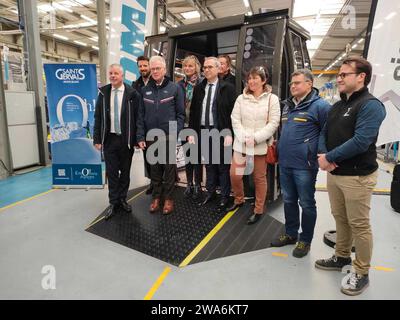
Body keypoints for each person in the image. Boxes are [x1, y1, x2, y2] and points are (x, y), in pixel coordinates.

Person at [316, 56, 386, 296]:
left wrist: (329, 158)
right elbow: (324, 132)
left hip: (357, 177)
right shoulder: (338, 105)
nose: (339, 78)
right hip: (335, 174)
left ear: (361, 77)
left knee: (359, 225)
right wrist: (324, 154)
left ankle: (361, 271)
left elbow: (361, 141)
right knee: (340, 219)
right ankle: (341, 256)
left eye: (344, 74)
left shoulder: (371, 105)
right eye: (338, 74)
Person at [270, 69, 331, 257]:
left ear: (309, 84)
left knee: (306, 203)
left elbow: (326, 133)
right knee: (288, 200)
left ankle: (305, 240)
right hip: (286, 162)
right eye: (291, 83)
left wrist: (321, 155)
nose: (293, 86)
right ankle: (290, 234)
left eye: (297, 83)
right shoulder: (287, 105)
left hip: (305, 165)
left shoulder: (321, 106)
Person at [228, 66, 280, 224]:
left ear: (264, 80)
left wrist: (256, 138)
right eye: (249, 78)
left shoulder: (272, 99)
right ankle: (239, 199)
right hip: (241, 145)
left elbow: (273, 123)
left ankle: (258, 209)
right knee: (235, 175)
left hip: (260, 146)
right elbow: (235, 119)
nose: (251, 81)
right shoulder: (240, 99)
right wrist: (244, 137)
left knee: (259, 178)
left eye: (255, 78)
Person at [137, 55, 185, 215]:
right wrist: (141, 136)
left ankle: (169, 199)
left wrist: (174, 132)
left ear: (164, 69)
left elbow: (180, 114)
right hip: (151, 137)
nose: (155, 71)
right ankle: (157, 198)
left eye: (158, 68)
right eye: (153, 68)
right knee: (155, 169)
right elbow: (140, 116)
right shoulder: (144, 90)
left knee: (170, 169)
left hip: (168, 136)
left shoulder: (175, 88)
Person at [93, 64, 141, 220]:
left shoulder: (132, 94)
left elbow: (138, 118)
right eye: (110, 73)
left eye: (116, 73)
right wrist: (97, 138)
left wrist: (137, 138)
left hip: (126, 140)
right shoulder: (103, 93)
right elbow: (98, 117)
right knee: (112, 173)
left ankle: (122, 199)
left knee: (125, 172)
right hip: (110, 139)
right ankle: (113, 202)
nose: (112, 76)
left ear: (122, 75)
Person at [189, 57, 236, 213]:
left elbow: (232, 113)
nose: (206, 70)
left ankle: (224, 196)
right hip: (203, 131)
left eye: (210, 67)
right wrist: (192, 133)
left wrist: (229, 132)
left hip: (221, 132)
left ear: (218, 69)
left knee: (222, 166)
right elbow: (194, 112)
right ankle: (210, 193)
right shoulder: (199, 88)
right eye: (204, 67)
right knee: (209, 165)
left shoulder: (227, 88)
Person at [178, 55, 203, 201]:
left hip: (197, 126)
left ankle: (198, 184)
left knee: (197, 157)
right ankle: (189, 183)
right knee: (187, 156)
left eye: (191, 66)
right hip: (184, 125)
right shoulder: (180, 85)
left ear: (196, 68)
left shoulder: (202, 84)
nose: (187, 68)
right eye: (185, 66)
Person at [132, 55, 153, 195]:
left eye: (145, 65)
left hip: (156, 123)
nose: (143, 68)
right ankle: (152, 181)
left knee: (163, 155)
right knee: (148, 155)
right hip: (143, 125)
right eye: (140, 66)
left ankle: (167, 180)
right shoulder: (135, 85)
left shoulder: (157, 81)